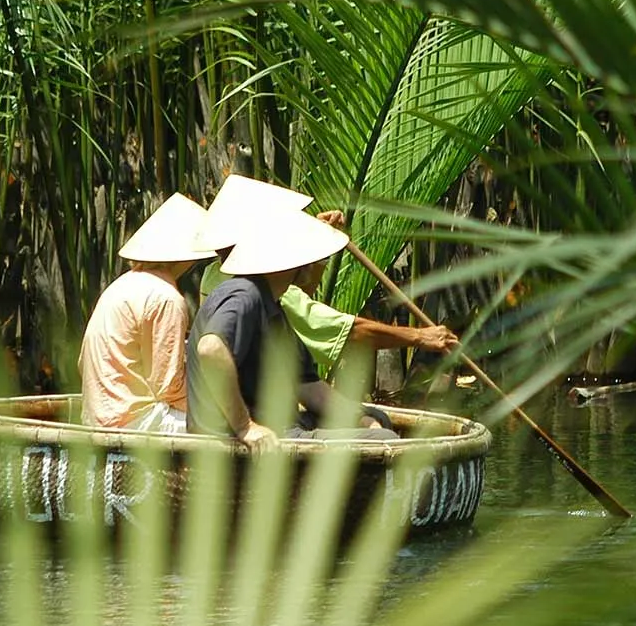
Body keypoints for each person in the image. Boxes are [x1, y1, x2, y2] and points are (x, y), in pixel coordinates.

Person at [193, 176, 459, 378]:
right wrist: (420, 337)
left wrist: (314, 243)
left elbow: (301, 290)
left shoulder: (215, 275)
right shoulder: (251, 289)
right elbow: (350, 332)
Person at [188, 207, 398, 446]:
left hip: (283, 425)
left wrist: (360, 418)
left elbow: (308, 387)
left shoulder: (273, 307)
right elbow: (211, 349)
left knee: (376, 418)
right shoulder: (245, 294)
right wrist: (246, 427)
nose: (314, 264)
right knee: (383, 439)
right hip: (243, 438)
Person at [77, 193, 211, 433]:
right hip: (134, 421)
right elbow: (168, 386)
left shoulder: (122, 285)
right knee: (228, 427)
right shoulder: (167, 298)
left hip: (98, 415)